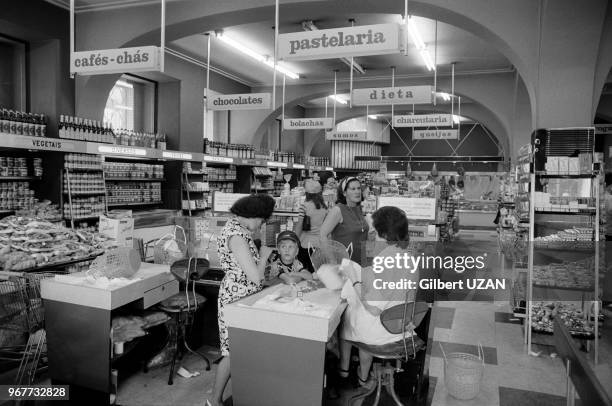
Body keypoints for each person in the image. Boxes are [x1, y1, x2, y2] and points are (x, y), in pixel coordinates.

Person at [337, 206, 419, 388]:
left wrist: (355, 279)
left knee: (346, 317)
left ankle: (357, 375)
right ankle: (361, 373)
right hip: (403, 324)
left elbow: (373, 308)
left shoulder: (385, 259)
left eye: (373, 230)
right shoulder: (409, 256)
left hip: (383, 331)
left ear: (382, 233)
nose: (371, 233)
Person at [208, 193, 276, 406]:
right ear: (253, 215)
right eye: (262, 220)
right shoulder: (236, 236)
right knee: (231, 352)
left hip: (243, 298)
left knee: (240, 350)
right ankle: (214, 400)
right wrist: (264, 255)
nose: (262, 224)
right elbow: (254, 277)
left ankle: (242, 393)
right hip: (235, 300)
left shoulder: (238, 229)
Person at [320, 176, 370, 264]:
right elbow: (322, 236)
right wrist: (332, 261)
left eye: (358, 188)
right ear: (344, 193)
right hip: (344, 264)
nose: (357, 191)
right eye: (353, 189)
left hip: (361, 263)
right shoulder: (338, 210)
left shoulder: (358, 209)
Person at [294, 179, 328, 249]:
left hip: (306, 244)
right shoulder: (325, 207)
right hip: (321, 244)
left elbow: (299, 226)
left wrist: (294, 240)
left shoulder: (304, 206)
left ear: (307, 193)